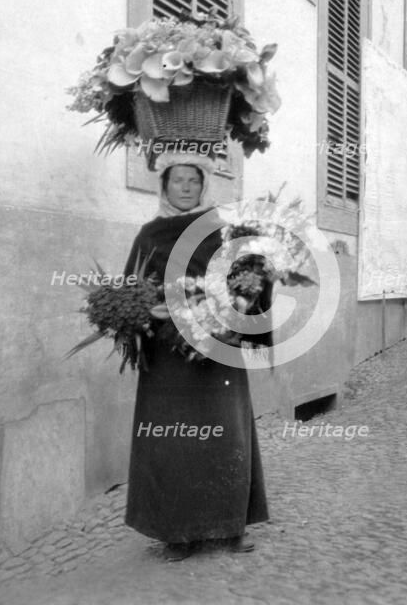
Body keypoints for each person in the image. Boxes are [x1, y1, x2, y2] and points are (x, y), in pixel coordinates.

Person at [122, 151, 269, 561]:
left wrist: (236, 301)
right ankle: (176, 533)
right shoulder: (149, 235)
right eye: (177, 181)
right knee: (172, 441)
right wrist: (147, 310)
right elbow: (132, 288)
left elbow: (247, 281)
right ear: (164, 186)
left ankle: (230, 528)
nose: (185, 188)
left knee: (226, 435)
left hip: (215, 352)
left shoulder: (220, 231)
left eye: (192, 181)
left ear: (204, 185)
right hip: (168, 359)